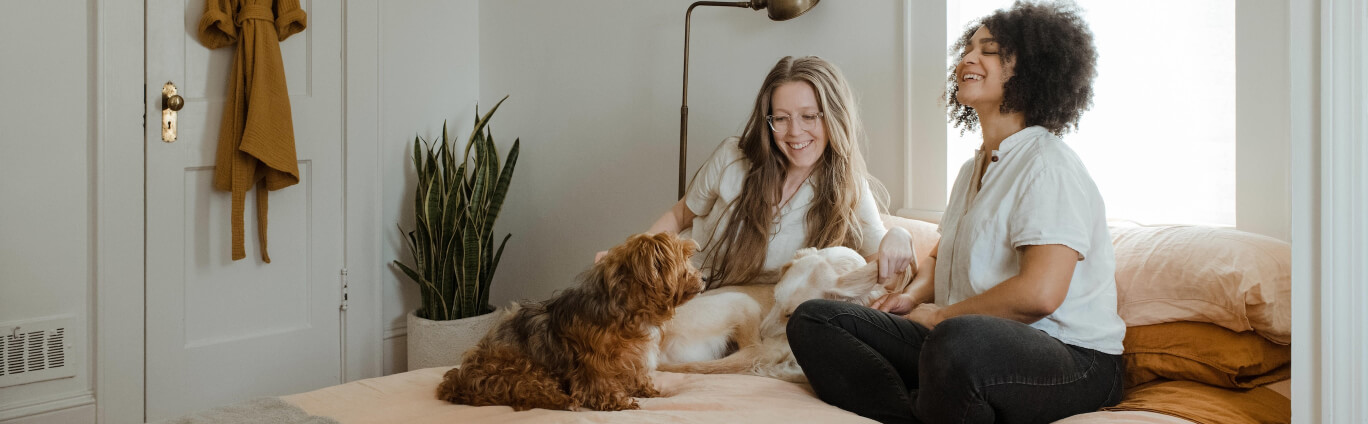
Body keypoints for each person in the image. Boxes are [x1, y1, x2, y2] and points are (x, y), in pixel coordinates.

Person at [786, 2, 1126, 423]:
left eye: (988, 50)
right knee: (816, 320)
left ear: (1029, 68)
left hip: (1072, 359)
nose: (967, 58)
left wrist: (943, 315)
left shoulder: (1048, 164)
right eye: (967, 48)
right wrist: (911, 297)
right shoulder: (973, 168)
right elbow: (938, 256)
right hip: (963, 341)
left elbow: (1041, 292)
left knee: (955, 341)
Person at [602, 55, 915, 290]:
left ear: (833, 117)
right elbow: (679, 216)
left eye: (808, 116)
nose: (794, 132)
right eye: (780, 118)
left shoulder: (848, 186)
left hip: (752, 313)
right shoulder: (731, 157)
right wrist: (627, 257)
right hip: (686, 290)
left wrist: (899, 235)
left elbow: (881, 267)